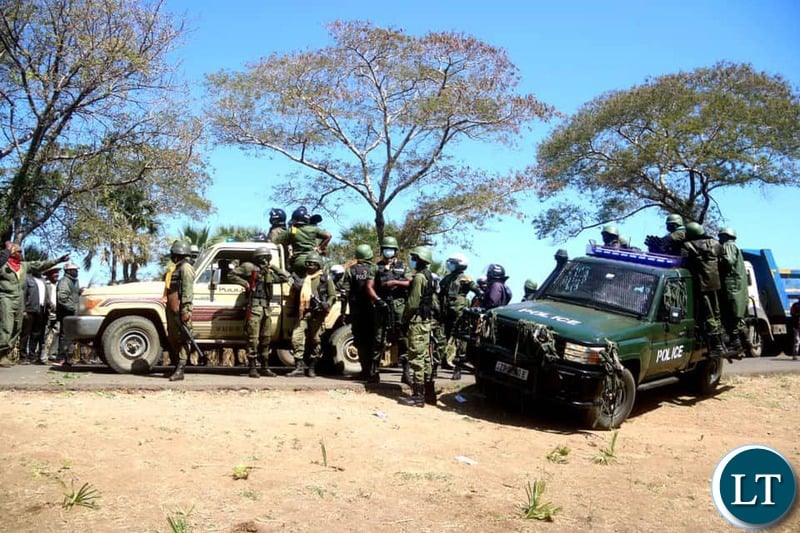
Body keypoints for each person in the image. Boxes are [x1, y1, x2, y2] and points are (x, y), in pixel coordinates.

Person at [0, 241, 69, 368]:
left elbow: (40, 265)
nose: (21, 254)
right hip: (6, 298)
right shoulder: (3, 265)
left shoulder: (23, 266)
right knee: (6, 327)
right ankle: (1, 352)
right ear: (12, 252)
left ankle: (4, 354)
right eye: (19, 251)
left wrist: (58, 260)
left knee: (16, 328)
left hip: (19, 301)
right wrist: (6, 251)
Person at [228, 246, 291, 378]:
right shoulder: (249, 267)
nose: (265, 260)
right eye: (263, 257)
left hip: (266, 309)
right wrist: (244, 283)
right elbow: (231, 275)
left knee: (266, 339)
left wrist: (273, 267)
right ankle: (252, 367)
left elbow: (285, 277)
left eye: (267, 258)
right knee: (253, 339)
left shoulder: (269, 272)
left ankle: (265, 367)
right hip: (254, 307)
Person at [398, 246, 438, 407]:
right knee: (426, 358)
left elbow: (413, 303)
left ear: (420, 260)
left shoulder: (419, 278)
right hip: (426, 321)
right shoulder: (429, 276)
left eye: (414, 258)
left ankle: (418, 396)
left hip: (417, 321)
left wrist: (404, 320)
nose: (412, 261)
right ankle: (429, 394)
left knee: (416, 358)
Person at [286, 252, 336, 377]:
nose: (309, 266)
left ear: (319, 265)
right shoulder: (302, 278)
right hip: (303, 312)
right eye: (308, 263)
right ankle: (299, 367)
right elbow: (293, 295)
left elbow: (332, 296)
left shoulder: (325, 279)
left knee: (316, 340)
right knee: (296, 338)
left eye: (313, 264)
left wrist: (327, 304)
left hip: (318, 314)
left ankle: (312, 367)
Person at [681, 222, 726, 359]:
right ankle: (722, 344)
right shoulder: (715, 243)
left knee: (708, 315)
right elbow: (722, 258)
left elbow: (683, 263)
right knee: (716, 313)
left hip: (701, 285)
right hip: (715, 285)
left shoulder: (688, 246)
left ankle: (716, 346)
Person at [438, 253, 482, 380]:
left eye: (453, 263)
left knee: (460, 341)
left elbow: (478, 292)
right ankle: (441, 362)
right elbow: (440, 293)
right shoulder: (447, 278)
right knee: (443, 338)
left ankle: (458, 368)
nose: (450, 265)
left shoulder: (465, 279)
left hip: (459, 313)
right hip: (446, 313)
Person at [373, 237, 411, 384]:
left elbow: (411, 282)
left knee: (403, 339)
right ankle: (374, 372)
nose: (388, 252)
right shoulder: (377, 267)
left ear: (395, 251)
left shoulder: (402, 266)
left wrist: (395, 282)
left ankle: (406, 373)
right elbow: (371, 285)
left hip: (399, 307)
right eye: (386, 249)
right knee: (378, 338)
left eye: (391, 249)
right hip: (382, 306)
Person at [341, 244, 381, 382]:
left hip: (357, 311)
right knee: (374, 341)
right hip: (373, 311)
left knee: (360, 342)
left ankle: (365, 371)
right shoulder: (375, 268)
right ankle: (374, 372)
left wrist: (343, 312)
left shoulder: (351, 270)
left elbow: (344, 293)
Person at [164, 241, 195, 381]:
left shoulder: (186, 268)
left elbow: (188, 290)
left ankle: (181, 369)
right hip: (172, 308)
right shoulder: (175, 268)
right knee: (174, 337)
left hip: (181, 308)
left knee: (184, 338)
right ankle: (176, 365)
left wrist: (186, 310)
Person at [717, 228, 748, 357]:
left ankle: (737, 345)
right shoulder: (736, 247)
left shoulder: (728, 246)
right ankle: (743, 344)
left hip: (731, 288)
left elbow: (728, 261)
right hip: (737, 288)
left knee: (730, 317)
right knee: (736, 318)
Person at [280, 206, 332, 274]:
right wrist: (320, 247)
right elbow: (329, 236)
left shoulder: (291, 231)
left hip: (299, 261)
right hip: (314, 260)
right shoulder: (313, 229)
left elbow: (278, 242)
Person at [55, 263, 81, 366]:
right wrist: (73, 308)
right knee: (65, 336)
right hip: (66, 314)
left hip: (72, 314)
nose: (77, 272)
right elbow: (62, 298)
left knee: (70, 337)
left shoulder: (74, 282)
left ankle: (68, 359)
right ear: (68, 271)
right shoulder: (65, 282)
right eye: (74, 270)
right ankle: (61, 358)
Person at [20, 271, 47, 365]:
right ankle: (23, 356)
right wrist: (23, 310)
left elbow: (45, 296)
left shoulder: (43, 281)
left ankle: (32, 355)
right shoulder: (27, 279)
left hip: (41, 310)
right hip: (29, 309)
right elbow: (23, 295)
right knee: (25, 333)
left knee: (36, 334)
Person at [39, 265, 60, 363]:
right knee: (44, 334)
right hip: (46, 313)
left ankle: (53, 355)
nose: (57, 274)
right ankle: (42, 356)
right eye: (54, 272)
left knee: (57, 333)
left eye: (57, 272)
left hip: (58, 313)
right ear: (49, 275)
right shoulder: (45, 284)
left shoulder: (60, 285)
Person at [790, 296, 800, 361]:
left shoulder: (795, 305)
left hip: (796, 324)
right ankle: (795, 354)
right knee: (797, 340)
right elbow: (792, 313)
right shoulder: (795, 305)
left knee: (797, 340)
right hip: (796, 325)